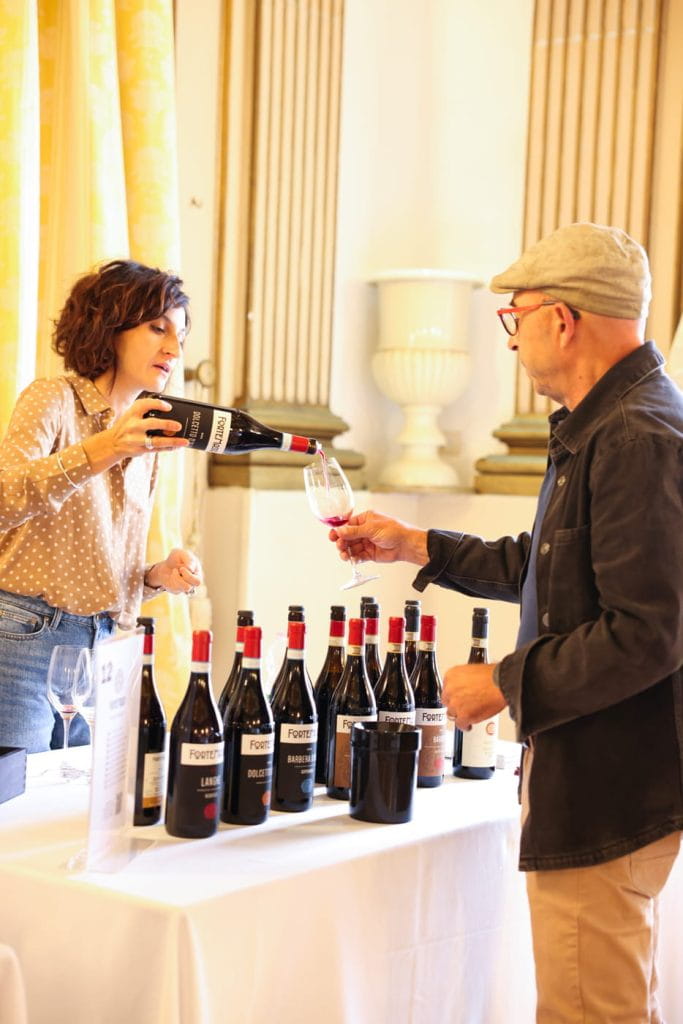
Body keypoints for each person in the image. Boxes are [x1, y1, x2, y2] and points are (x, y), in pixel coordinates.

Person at [330, 223, 683, 1023]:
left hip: (608, 784)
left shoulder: (634, 434)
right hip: (604, 776)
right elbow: (554, 563)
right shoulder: (610, 421)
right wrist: (418, 543)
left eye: (513, 317)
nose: (512, 339)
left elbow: (647, 631)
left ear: (561, 319)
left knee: (587, 1010)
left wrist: (501, 682)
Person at [0, 259, 202, 754]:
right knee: (15, 815)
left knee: (75, 814)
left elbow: (98, 559)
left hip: (102, 653)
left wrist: (155, 576)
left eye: (179, 335)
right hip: (22, 636)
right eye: (157, 328)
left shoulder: (147, 440)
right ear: (109, 325)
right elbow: (5, 497)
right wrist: (107, 446)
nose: (173, 349)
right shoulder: (52, 399)